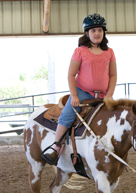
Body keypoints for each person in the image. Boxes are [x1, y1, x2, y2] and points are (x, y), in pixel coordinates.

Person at [41, 13, 117, 165]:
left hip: (103, 95)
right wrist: (74, 95)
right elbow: (71, 74)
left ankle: (115, 145)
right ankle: (56, 146)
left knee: (116, 116)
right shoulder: (80, 51)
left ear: (104, 32)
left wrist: (109, 94)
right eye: (93, 30)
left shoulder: (109, 52)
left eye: (100, 30)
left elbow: (113, 75)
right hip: (82, 91)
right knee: (68, 114)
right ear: (87, 33)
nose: (97, 33)